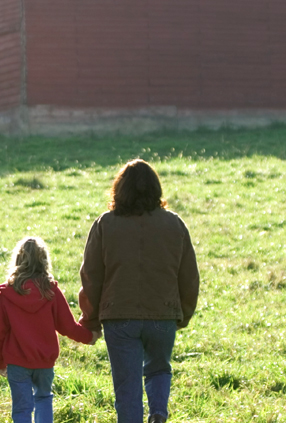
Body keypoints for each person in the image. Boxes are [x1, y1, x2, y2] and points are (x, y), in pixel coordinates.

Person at [78, 159, 199, 423]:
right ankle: (157, 413)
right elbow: (189, 276)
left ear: (119, 190)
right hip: (163, 314)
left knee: (127, 387)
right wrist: (182, 314)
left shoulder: (104, 224)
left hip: (119, 316)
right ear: (156, 189)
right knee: (158, 369)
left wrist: (91, 319)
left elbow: (91, 275)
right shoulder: (175, 224)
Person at [0, 237, 96, 423]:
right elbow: (68, 327)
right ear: (44, 261)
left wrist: (0, 361)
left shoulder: (7, 294)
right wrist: (89, 336)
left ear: (17, 261)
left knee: (22, 408)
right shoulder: (51, 292)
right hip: (44, 361)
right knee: (43, 399)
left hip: (16, 362)